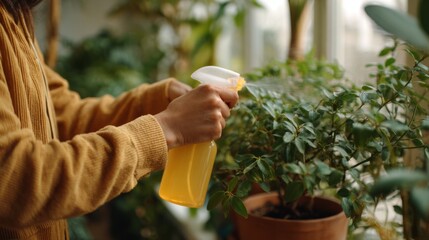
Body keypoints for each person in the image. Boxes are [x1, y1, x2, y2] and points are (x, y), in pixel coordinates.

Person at [0, 0, 239, 239]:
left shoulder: (15, 15)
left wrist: (159, 102)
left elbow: (62, 118)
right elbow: (15, 177)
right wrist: (165, 128)